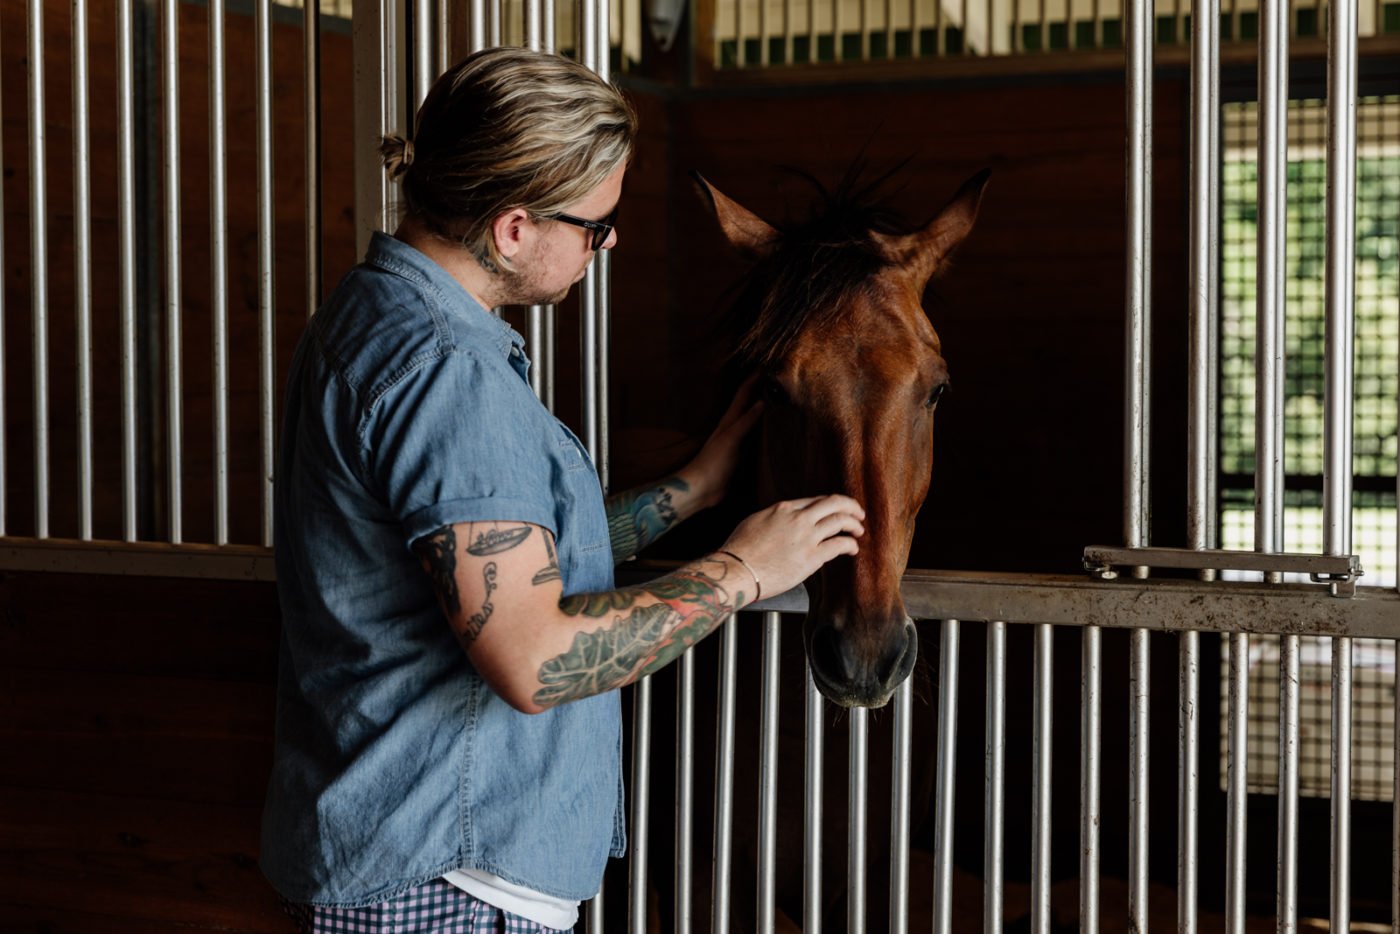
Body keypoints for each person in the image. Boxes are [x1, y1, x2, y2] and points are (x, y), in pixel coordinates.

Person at [260, 46, 865, 933]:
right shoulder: (448, 375)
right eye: (594, 225)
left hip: (406, 856)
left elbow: (493, 566)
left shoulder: (368, 318)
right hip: (450, 883)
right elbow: (534, 657)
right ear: (512, 228)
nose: (607, 242)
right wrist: (744, 569)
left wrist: (687, 495)